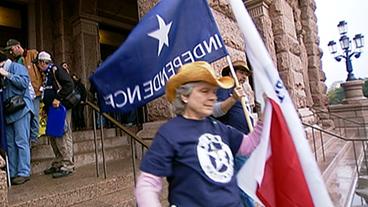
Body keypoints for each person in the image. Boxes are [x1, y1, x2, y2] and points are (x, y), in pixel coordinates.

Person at [135, 61, 263, 207]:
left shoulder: (219, 128)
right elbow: (148, 183)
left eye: (214, 92)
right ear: (185, 96)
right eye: (204, 91)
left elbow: (249, 144)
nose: (213, 97)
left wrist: (264, 119)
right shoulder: (170, 132)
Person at [213, 61, 255, 207]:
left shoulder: (238, 90)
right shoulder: (225, 86)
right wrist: (233, 98)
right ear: (231, 73)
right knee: (244, 185)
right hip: (235, 145)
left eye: (246, 74)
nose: (244, 76)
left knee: (244, 183)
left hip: (245, 142)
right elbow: (215, 111)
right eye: (241, 72)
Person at [33, 51, 75, 178]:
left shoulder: (56, 70)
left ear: (42, 62)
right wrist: (46, 107)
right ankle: (58, 162)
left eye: (38, 64)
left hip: (60, 107)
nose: (37, 67)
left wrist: (58, 98)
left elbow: (69, 85)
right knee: (53, 136)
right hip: (52, 109)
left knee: (62, 135)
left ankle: (67, 164)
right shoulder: (46, 74)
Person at [0, 50, 34, 185]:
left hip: (21, 109)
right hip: (9, 112)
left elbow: (24, 83)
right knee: (10, 144)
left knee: (21, 141)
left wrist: (7, 74)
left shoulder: (16, 67)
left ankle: (24, 172)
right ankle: (13, 172)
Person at [4, 39, 43, 145]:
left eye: (12, 49)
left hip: (35, 90)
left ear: (17, 46)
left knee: (34, 114)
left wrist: (42, 85)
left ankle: (34, 138)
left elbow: (42, 68)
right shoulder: (15, 62)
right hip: (23, 93)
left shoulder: (32, 54)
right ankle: (30, 137)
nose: (11, 52)